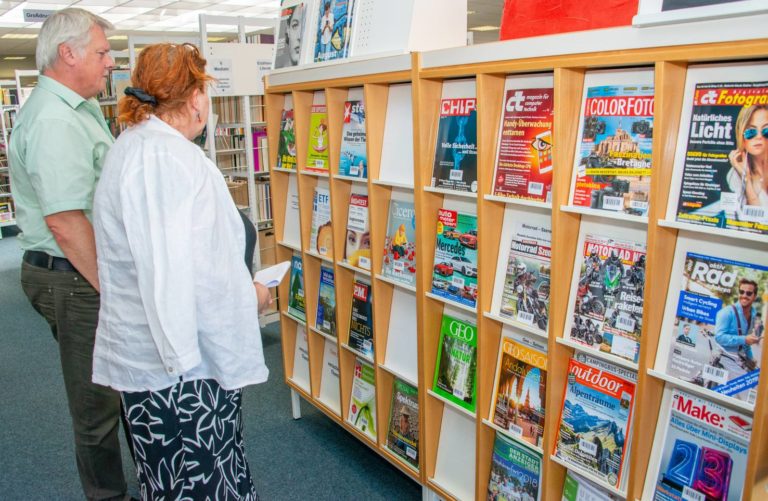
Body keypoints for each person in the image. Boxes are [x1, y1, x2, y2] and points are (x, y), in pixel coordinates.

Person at [91, 43, 272, 499]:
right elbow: (179, 278)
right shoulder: (168, 162)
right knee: (201, 482)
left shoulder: (137, 146)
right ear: (195, 99)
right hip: (181, 374)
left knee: (173, 479)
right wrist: (251, 297)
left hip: (158, 367)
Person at [8, 8, 132, 500]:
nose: (110, 62)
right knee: (96, 404)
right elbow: (65, 221)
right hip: (75, 277)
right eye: (102, 52)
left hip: (82, 271)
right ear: (68, 53)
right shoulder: (55, 120)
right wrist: (115, 287)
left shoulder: (80, 109)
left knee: (116, 389)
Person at [714, 278, 762, 397]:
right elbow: (719, 337)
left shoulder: (753, 314)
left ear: (754, 296)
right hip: (726, 357)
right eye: (742, 292)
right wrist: (744, 339)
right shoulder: (726, 313)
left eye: (749, 293)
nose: (744, 296)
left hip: (740, 359)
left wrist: (751, 359)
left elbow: (746, 341)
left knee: (759, 381)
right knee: (746, 391)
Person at [727, 105, 768, 216]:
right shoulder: (735, 174)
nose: (759, 136)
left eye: (766, 130)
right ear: (741, 136)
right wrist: (746, 178)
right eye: (751, 132)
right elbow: (757, 220)